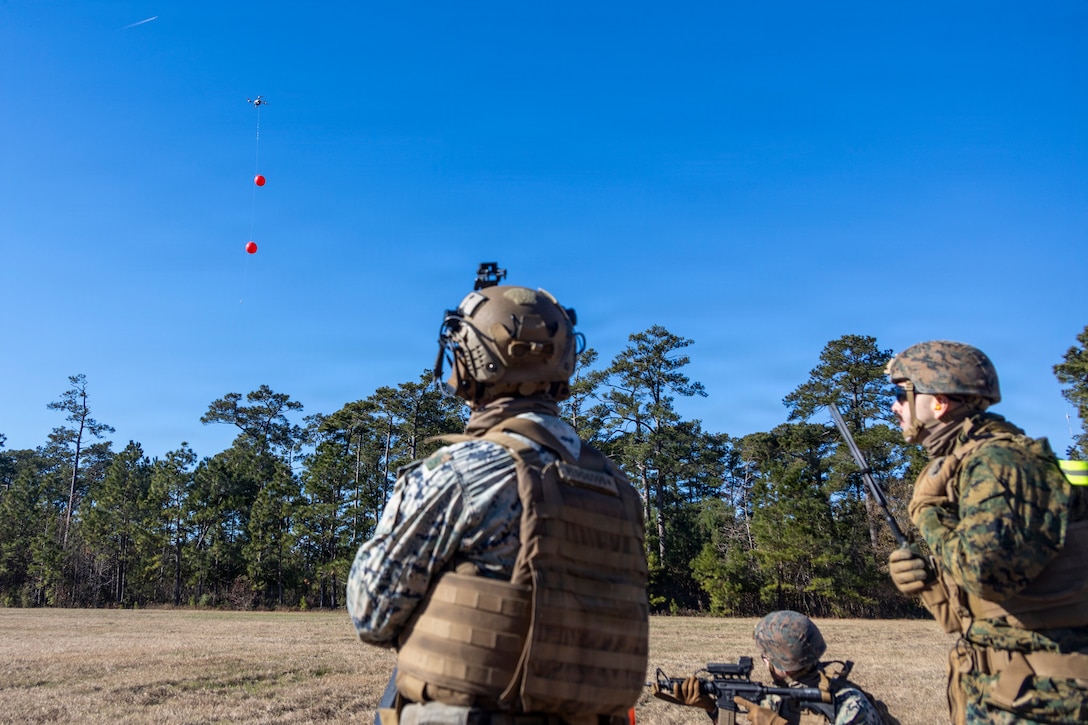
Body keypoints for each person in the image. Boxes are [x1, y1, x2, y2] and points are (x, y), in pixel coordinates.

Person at [346, 283, 650, 725]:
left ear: (469, 361)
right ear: (564, 362)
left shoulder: (458, 473)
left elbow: (371, 613)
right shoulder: (620, 491)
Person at [884, 340, 1088, 724]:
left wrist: (927, 512)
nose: (894, 406)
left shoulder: (998, 462)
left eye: (901, 393)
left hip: (1042, 702)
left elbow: (988, 575)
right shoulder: (967, 462)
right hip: (1008, 691)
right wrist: (929, 582)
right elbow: (989, 606)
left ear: (939, 403)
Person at [652, 611, 887, 725]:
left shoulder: (848, 704)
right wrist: (713, 709)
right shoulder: (775, 698)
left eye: (766, 656)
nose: (764, 661)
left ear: (778, 663)